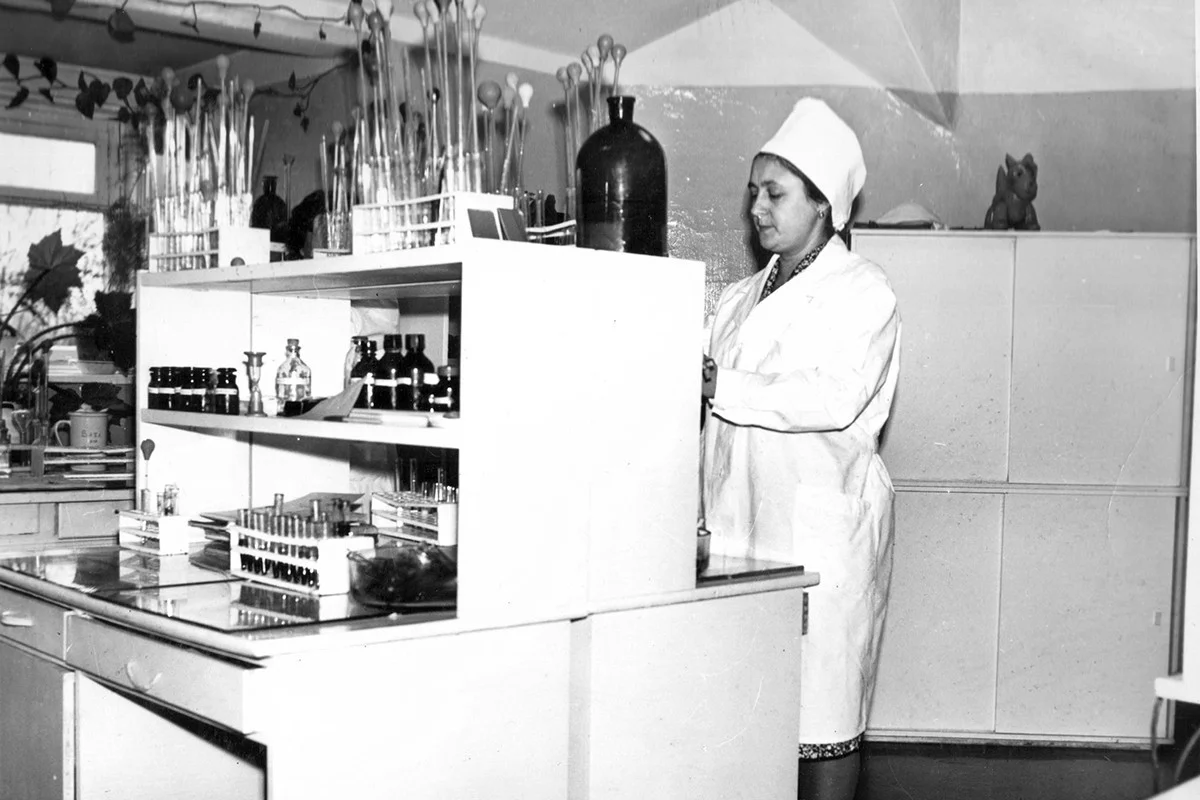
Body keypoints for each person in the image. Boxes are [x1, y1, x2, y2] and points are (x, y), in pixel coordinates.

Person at [700, 98, 901, 800]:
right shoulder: (738, 298)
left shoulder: (863, 292)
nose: (756, 206)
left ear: (822, 205)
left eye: (774, 193)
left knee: (823, 717)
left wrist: (721, 383)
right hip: (738, 536)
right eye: (753, 191)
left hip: (818, 540)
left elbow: (834, 397)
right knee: (746, 719)